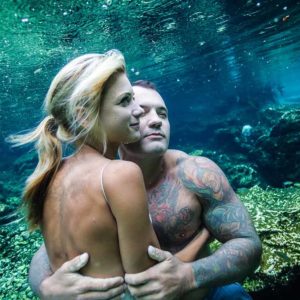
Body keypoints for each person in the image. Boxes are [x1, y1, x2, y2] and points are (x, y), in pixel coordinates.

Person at [29, 80, 262, 299]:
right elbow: (47, 249)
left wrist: (190, 276)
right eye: (142, 110)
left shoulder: (196, 173)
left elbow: (248, 243)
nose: (156, 120)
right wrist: (45, 287)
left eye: (163, 113)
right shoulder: (95, 180)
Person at [10, 52, 166, 299]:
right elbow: (148, 281)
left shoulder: (50, 175)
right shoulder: (120, 174)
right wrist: (202, 238)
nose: (138, 111)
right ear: (84, 115)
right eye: (125, 101)